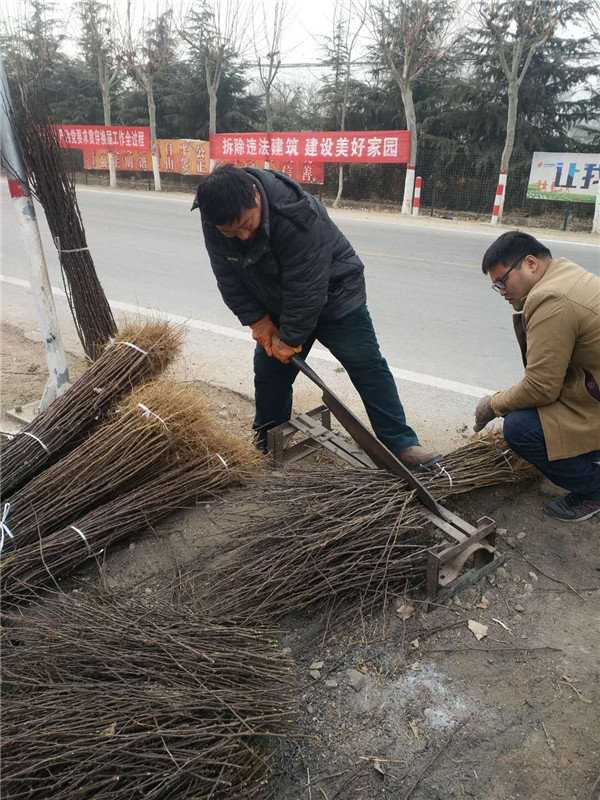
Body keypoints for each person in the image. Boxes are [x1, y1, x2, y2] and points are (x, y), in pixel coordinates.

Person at [192, 164, 439, 467]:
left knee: (366, 364)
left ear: (255, 195)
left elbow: (306, 287)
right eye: (231, 232)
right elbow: (227, 276)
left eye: (247, 223)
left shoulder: (295, 212)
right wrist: (259, 322)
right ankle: (267, 442)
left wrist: (291, 338)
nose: (242, 236)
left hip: (335, 292)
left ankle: (402, 445)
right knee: (270, 373)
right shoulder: (215, 217)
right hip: (278, 298)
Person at [473, 231, 600, 522]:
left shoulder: (551, 299)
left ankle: (594, 489)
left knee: (520, 426)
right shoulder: (565, 272)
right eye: (496, 287)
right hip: (592, 385)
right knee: (524, 402)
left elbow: (541, 387)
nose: (502, 292)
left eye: (503, 281)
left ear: (530, 263)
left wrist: (491, 405)